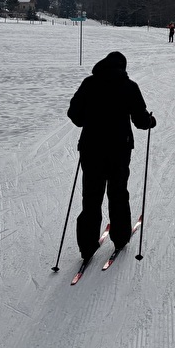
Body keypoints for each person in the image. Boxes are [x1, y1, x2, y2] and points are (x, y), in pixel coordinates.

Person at [67, 51, 155, 259]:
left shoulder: (89, 83)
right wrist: (151, 121)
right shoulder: (129, 86)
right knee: (117, 192)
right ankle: (121, 237)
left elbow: (75, 115)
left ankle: (87, 245)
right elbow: (140, 120)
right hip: (119, 149)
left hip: (91, 148)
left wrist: (88, 120)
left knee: (91, 195)